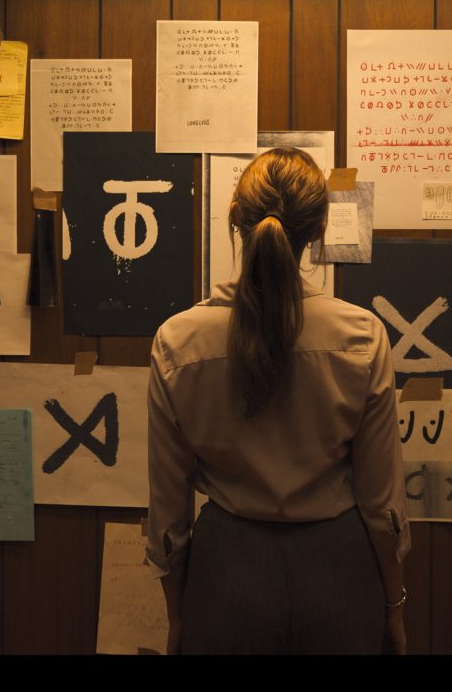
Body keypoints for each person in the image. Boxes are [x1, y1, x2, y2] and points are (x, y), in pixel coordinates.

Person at [144, 148, 410, 655]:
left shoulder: (178, 341)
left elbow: (168, 512)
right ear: (319, 228)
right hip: (339, 570)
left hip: (225, 574)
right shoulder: (361, 336)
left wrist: (177, 615)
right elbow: (382, 504)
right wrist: (394, 604)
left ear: (235, 217)